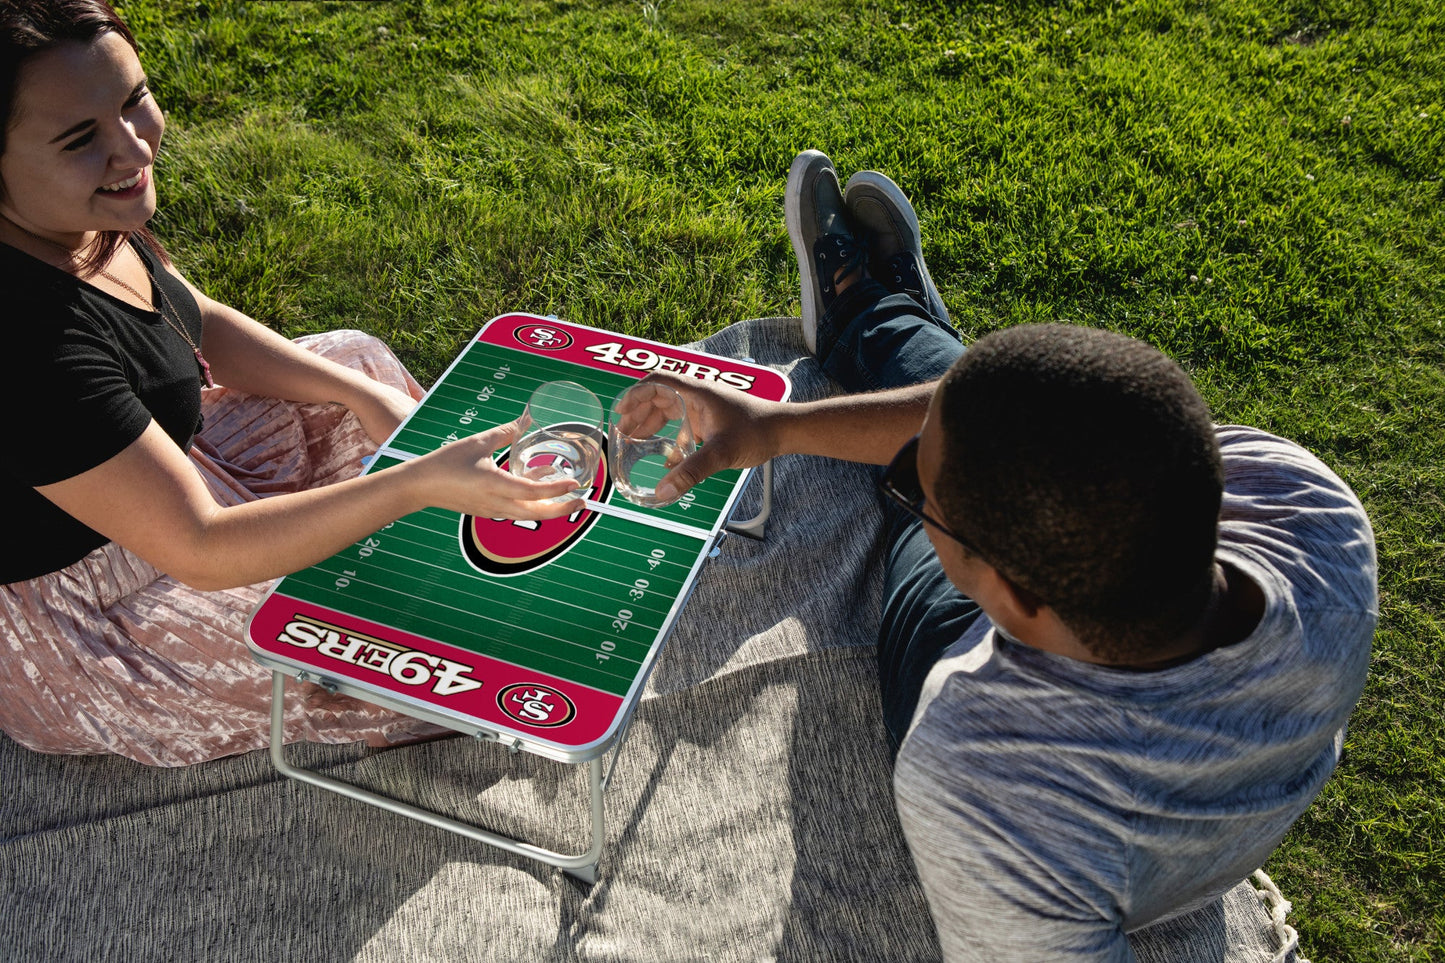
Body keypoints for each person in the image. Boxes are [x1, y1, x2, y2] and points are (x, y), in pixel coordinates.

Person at [647, 149, 1376, 960]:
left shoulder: (982, 772)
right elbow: (1056, 426)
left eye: (917, 495)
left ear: (1008, 595)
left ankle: (877, 321)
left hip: (974, 667)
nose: (909, 495)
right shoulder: (1309, 506)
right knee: (998, 415)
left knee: (944, 478)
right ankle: (891, 324)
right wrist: (771, 428)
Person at [0, 0, 583, 766]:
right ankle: (451, 550)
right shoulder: (25, 339)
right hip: (102, 618)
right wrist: (411, 485)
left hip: (177, 477)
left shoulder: (73, 218)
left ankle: (451, 524)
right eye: (81, 138)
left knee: (352, 361)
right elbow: (201, 546)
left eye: (134, 99)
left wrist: (363, 397)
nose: (133, 145)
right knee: (413, 645)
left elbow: (192, 319)